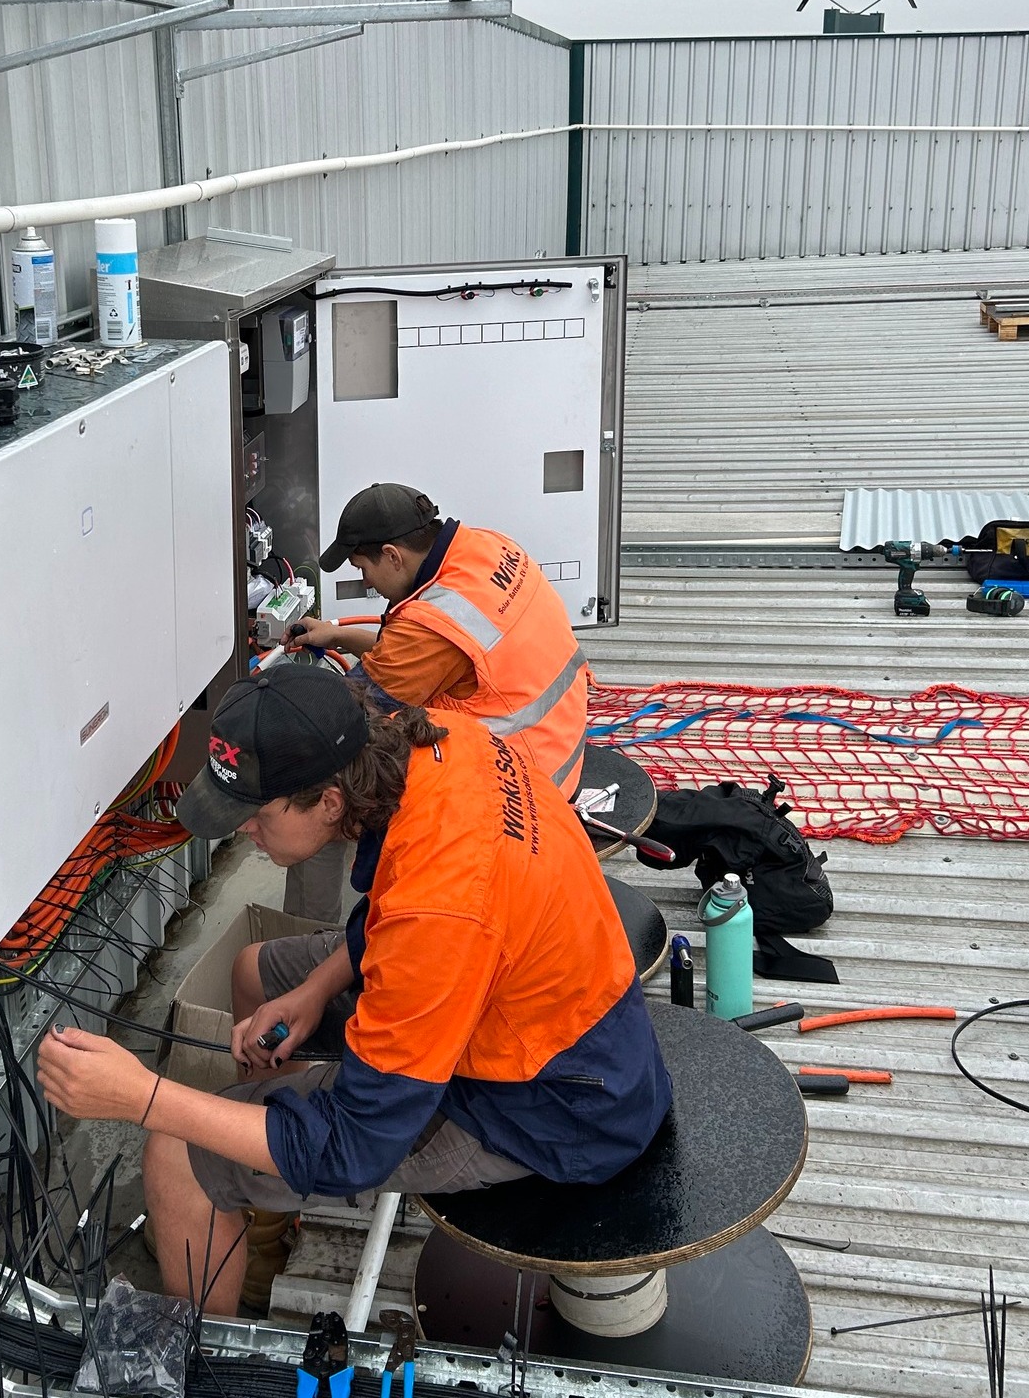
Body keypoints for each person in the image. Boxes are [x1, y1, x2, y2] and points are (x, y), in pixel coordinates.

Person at [36, 663, 672, 1318]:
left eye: (256, 816)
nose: (243, 832)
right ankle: (261, 1219)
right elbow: (404, 901)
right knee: (255, 970)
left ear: (331, 803)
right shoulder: (436, 738)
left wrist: (143, 1098)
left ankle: (219, 1352)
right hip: (519, 994)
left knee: (176, 1156)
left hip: (549, 1104)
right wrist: (313, 990)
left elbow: (355, 1147)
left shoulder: (440, 909)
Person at [281, 482, 591, 921]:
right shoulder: (483, 549)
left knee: (319, 791)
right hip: (559, 746)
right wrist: (338, 634)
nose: (365, 581)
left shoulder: (432, 626)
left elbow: (343, 713)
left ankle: (315, 939)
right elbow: (432, 655)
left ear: (392, 555)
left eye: (362, 568)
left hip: (516, 789)